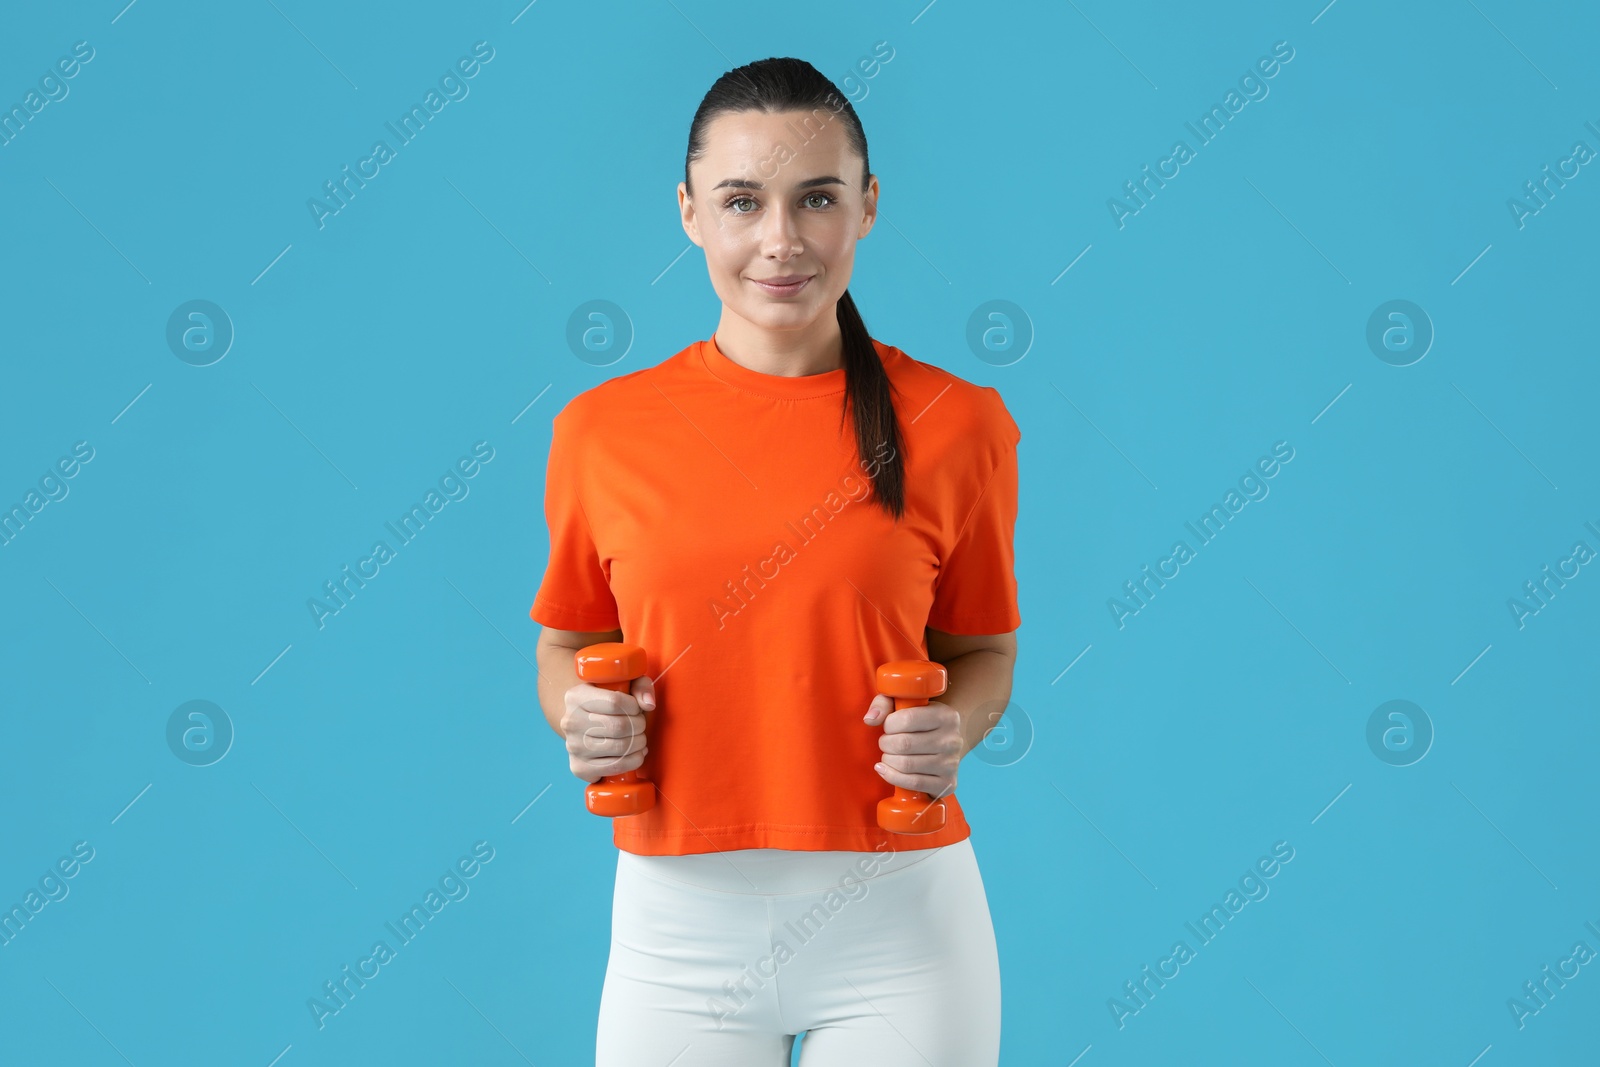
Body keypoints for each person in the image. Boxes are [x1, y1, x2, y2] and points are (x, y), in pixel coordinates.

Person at [530, 56, 1021, 1066]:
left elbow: (983, 653)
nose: (780, 240)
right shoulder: (600, 431)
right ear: (689, 211)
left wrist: (950, 731)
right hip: (676, 931)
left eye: (818, 199)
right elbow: (567, 643)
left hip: (902, 928)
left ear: (867, 206)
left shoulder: (960, 424)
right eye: (742, 200)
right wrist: (577, 710)